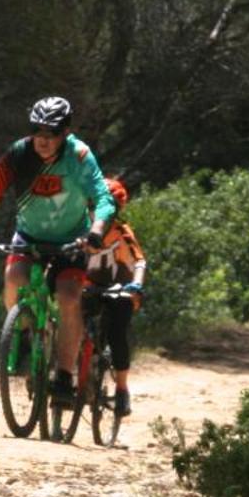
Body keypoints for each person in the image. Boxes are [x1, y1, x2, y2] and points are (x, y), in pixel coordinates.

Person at [0, 96, 115, 406]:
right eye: (38, 132)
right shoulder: (19, 154)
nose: (43, 141)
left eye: (51, 134)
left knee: (68, 296)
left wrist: (96, 231)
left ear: (65, 133)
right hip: (30, 236)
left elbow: (103, 198)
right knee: (13, 277)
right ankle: (21, 333)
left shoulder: (79, 156)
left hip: (72, 240)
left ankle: (63, 376)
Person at [86, 175, 147, 419]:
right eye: (92, 206)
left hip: (120, 288)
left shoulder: (123, 233)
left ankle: (122, 389)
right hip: (89, 286)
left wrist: (136, 285)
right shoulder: (81, 229)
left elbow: (139, 261)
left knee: (116, 334)